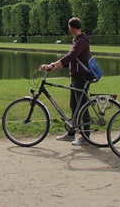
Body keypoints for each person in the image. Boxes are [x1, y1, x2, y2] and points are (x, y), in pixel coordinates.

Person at [39, 17, 91, 146]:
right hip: (76, 78)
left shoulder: (81, 41)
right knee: (74, 106)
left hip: (81, 78)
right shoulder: (78, 40)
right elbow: (71, 62)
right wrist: (54, 67)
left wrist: (52, 65)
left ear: (71, 27)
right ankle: (71, 133)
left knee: (82, 107)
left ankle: (86, 136)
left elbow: (70, 57)